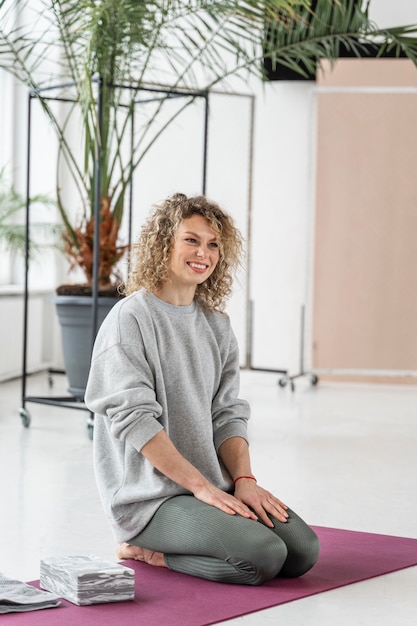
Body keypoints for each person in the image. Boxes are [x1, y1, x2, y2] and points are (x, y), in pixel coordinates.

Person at [85, 193, 319, 585]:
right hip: (151, 499)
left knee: (301, 552)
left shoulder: (216, 324)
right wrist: (201, 488)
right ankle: (147, 552)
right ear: (164, 245)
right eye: (191, 240)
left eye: (213, 244)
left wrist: (243, 481)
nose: (203, 253)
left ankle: (212, 515)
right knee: (264, 556)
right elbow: (136, 421)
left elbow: (227, 413)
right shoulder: (130, 319)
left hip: (210, 485)